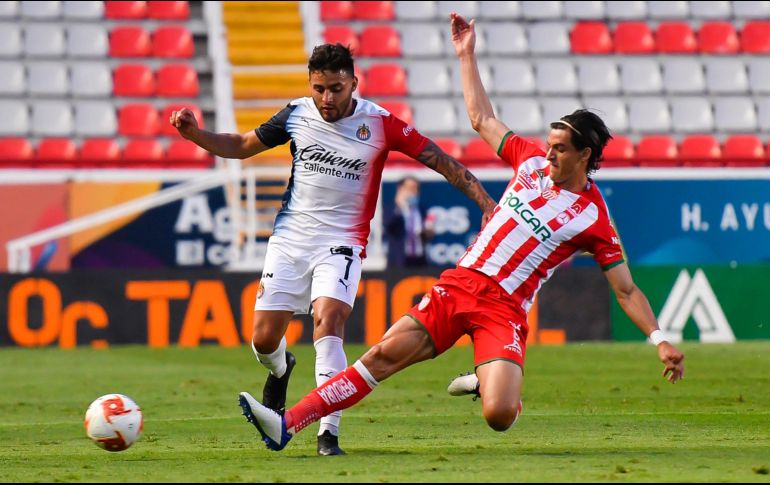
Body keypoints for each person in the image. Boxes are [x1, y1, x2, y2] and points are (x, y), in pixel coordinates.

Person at [235, 14, 685, 454]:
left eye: (560, 149)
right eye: (549, 145)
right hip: (459, 285)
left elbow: (626, 290)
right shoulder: (529, 160)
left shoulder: (593, 218)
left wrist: (659, 339)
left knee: (499, 415)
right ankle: (286, 424)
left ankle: (488, 381)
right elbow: (481, 117)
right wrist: (466, 55)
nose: (548, 154)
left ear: (584, 155)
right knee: (380, 357)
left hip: (505, 309)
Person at [170, 43, 496, 456]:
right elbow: (241, 144)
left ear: (353, 84)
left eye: (336, 89)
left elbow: (442, 162)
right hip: (290, 240)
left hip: (342, 242)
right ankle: (281, 368)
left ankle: (328, 432)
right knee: (264, 340)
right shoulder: (296, 114)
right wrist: (195, 134)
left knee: (329, 321)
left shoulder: (380, 123)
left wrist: (487, 204)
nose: (326, 98)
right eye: (319, 88)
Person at [384, 176, 435, 267]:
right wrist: (400, 206)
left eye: (416, 188)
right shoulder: (392, 209)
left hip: (419, 260)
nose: (413, 191)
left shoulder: (422, 209)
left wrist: (428, 232)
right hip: (399, 261)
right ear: (400, 189)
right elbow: (389, 227)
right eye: (410, 187)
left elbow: (427, 236)